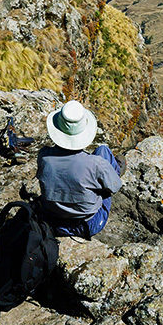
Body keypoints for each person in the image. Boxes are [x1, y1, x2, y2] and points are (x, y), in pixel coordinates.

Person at [36, 100, 123, 239]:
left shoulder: (44, 156)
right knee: (103, 151)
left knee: (101, 153)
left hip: (54, 222)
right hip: (88, 224)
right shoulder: (95, 164)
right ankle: (115, 169)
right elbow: (115, 187)